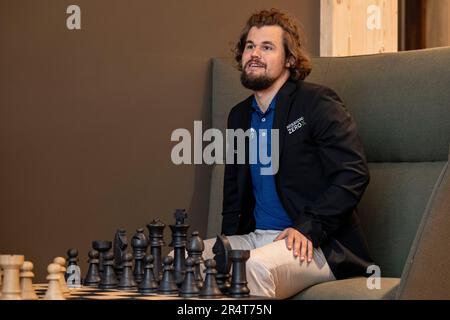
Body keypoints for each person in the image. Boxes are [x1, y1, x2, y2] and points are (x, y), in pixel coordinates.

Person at [203, 8, 374, 299]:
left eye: (267, 47)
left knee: (251, 269)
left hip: (316, 243)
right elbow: (233, 194)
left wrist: (308, 228)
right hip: (257, 238)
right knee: (181, 259)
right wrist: (225, 244)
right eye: (250, 46)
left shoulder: (317, 102)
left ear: (290, 59)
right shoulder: (239, 115)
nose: (255, 54)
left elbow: (352, 173)